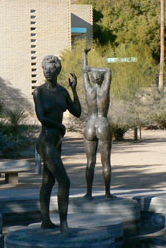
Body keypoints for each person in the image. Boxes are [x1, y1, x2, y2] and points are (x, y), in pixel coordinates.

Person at [33, 55, 81, 233]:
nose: (48, 72)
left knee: (48, 180)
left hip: (56, 141)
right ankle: (63, 224)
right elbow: (42, 117)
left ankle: (45, 221)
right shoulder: (39, 91)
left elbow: (77, 111)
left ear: (58, 70)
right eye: (45, 69)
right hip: (45, 141)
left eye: (51, 69)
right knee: (64, 181)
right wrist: (60, 127)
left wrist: (74, 90)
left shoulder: (62, 92)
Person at [82, 48, 114, 200]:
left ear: (92, 79)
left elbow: (83, 72)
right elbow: (108, 70)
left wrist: (85, 57)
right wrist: (95, 69)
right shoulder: (104, 90)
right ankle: (107, 193)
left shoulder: (88, 90)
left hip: (90, 124)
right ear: (101, 79)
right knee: (105, 161)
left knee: (90, 161)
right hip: (102, 122)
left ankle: (89, 193)